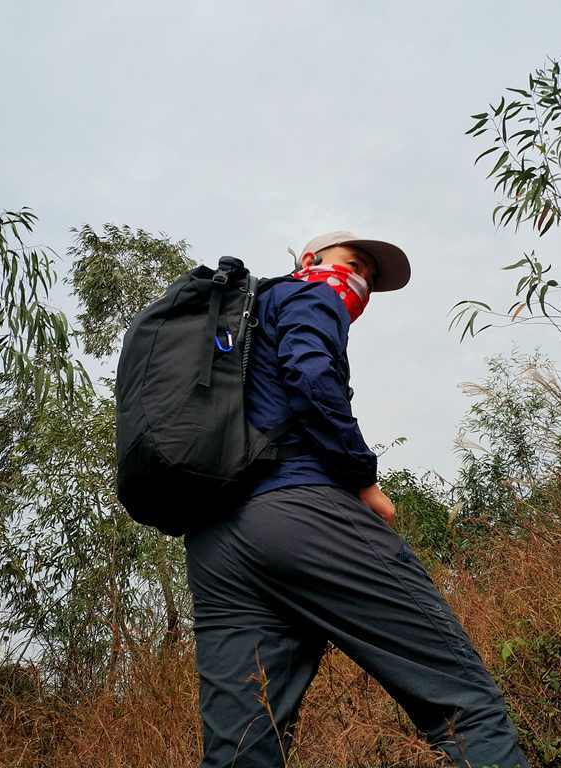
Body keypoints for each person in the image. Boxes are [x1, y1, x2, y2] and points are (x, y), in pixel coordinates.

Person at [183, 231, 529, 768]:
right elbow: (310, 372)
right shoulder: (308, 293)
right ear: (309, 261)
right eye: (354, 264)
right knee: (465, 704)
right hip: (299, 512)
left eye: (370, 275)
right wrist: (362, 477)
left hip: (215, 546)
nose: (361, 280)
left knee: (242, 752)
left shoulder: (241, 323)